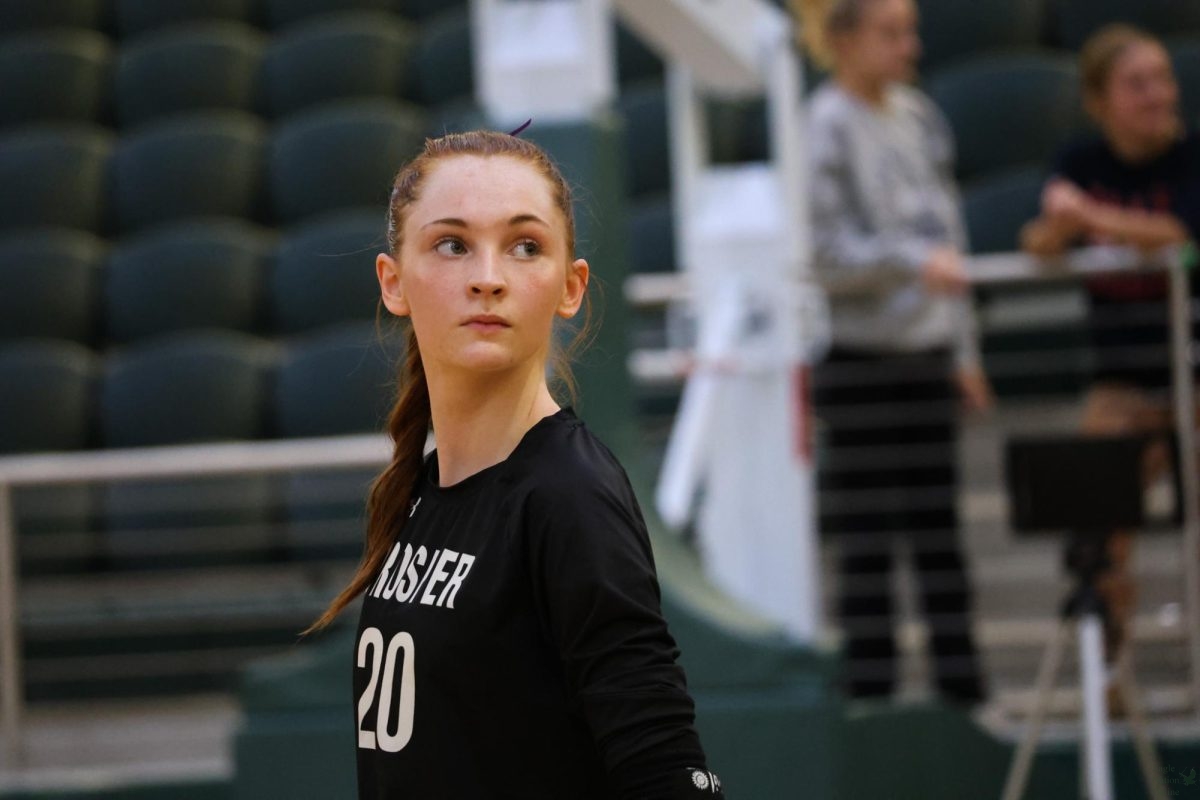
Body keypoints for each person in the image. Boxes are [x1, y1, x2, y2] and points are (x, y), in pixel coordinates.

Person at [304, 130, 724, 799]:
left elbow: (664, 767)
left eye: (525, 246)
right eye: (452, 245)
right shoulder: (420, 492)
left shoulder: (569, 497)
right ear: (393, 282)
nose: (488, 278)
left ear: (571, 286)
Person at [794, 0, 990, 703]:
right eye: (891, 33)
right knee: (867, 544)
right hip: (861, 361)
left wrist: (965, 349)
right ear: (844, 39)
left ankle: (964, 694)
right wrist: (910, 262)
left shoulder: (918, 117)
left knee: (941, 536)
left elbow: (952, 238)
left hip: (927, 354)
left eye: (910, 32)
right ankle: (871, 703)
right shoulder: (823, 127)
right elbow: (823, 254)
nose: (909, 47)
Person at [1021, 23, 1200, 666]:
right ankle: (1110, 679)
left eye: (1163, 79)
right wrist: (1054, 226)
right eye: (1137, 84)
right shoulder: (1078, 162)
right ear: (1099, 101)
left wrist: (1088, 217)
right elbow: (1038, 244)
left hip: (1193, 375)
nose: (1157, 95)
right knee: (1094, 526)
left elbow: (1179, 233)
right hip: (1122, 381)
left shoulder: (1191, 157)